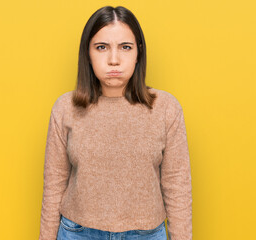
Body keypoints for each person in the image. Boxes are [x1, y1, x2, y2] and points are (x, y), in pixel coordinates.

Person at [39, 5, 192, 240]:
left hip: (146, 235)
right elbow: (53, 187)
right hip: (78, 233)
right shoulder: (65, 108)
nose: (114, 60)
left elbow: (177, 188)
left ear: (138, 52)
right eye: (101, 47)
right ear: (88, 54)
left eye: (125, 47)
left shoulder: (166, 108)